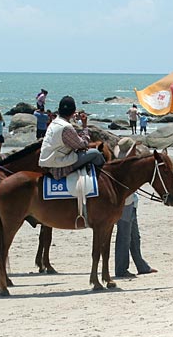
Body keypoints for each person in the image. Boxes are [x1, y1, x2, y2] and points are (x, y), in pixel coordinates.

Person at [113, 138, 157, 278]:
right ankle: (121, 269)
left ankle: (141, 265)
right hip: (125, 203)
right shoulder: (125, 166)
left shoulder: (124, 163)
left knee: (134, 236)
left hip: (131, 203)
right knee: (124, 237)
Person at [39, 95, 105, 178]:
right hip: (57, 166)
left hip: (47, 161)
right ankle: (102, 181)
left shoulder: (55, 122)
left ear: (59, 110)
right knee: (95, 154)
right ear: (73, 111)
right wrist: (84, 125)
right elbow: (83, 144)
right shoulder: (66, 127)